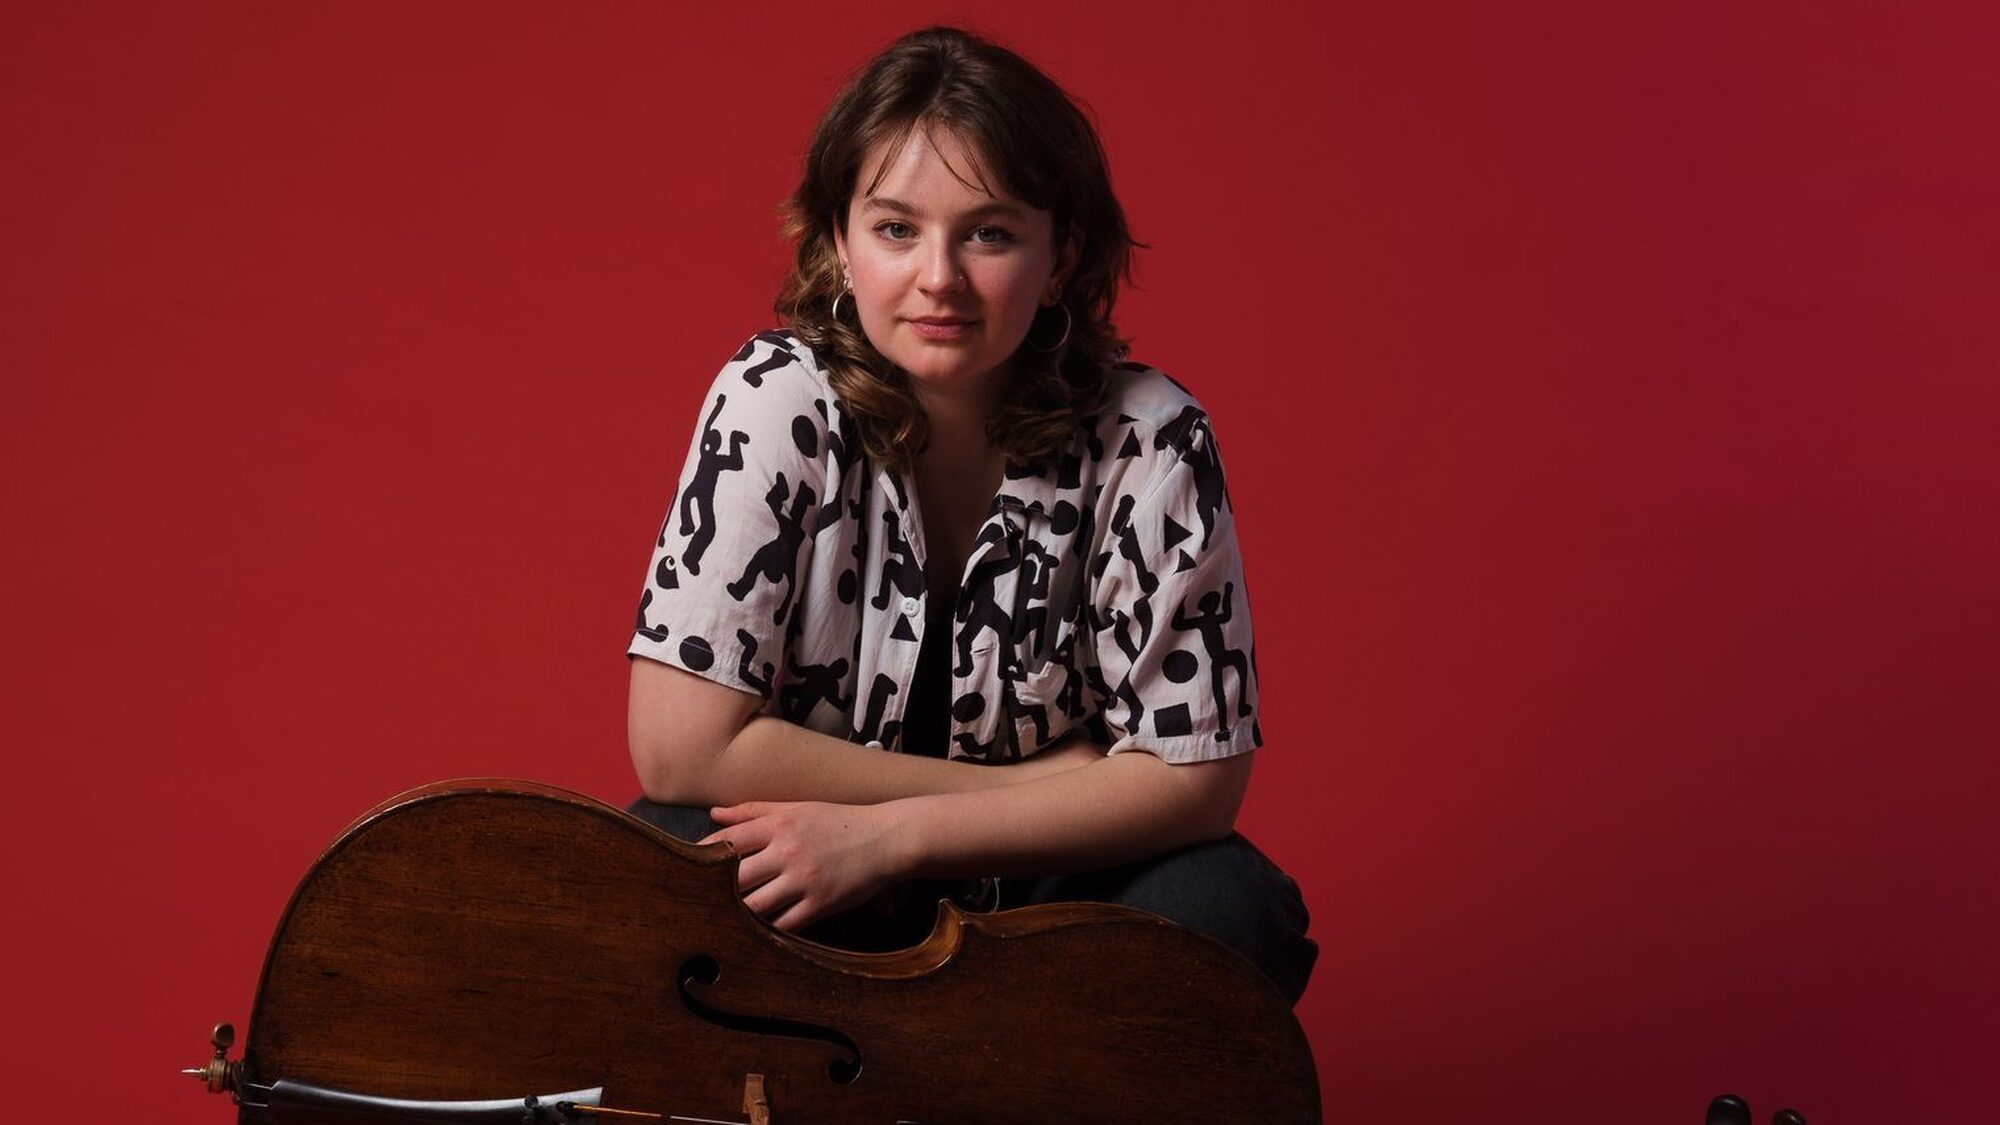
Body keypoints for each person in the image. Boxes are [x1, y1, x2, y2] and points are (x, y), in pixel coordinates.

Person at [625, 26, 1315, 1004]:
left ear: (1060, 252)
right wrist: (1040, 783)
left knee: (1226, 907)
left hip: (1046, 882)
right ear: (839, 240)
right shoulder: (772, 399)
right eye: (895, 229)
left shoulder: (1151, 437)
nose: (939, 277)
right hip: (817, 866)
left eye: (988, 233)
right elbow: (680, 748)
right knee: (669, 860)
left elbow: (1197, 782)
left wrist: (895, 835)